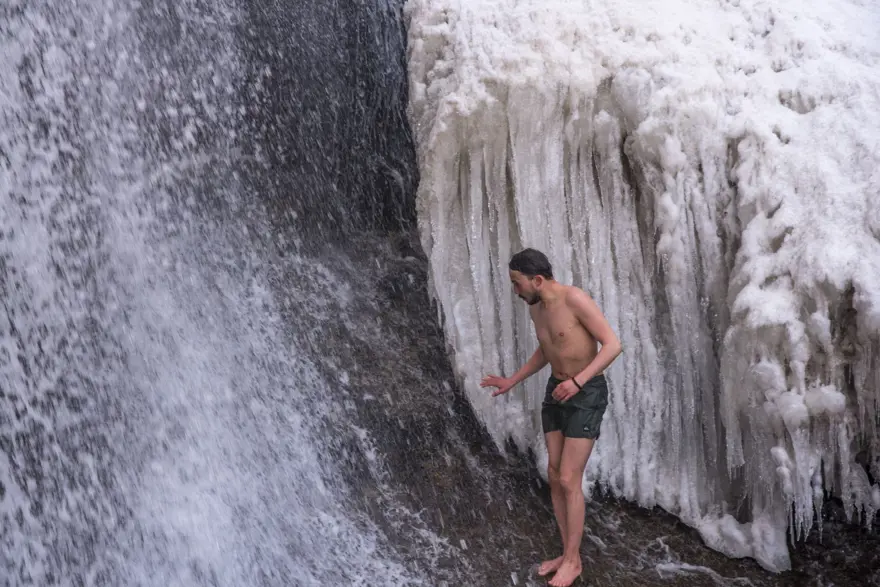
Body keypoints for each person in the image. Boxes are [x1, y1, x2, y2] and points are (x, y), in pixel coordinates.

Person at [480, 248, 622, 587]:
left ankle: (573, 562)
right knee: (555, 473)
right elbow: (548, 350)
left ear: (537, 280)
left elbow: (613, 345)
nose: (516, 291)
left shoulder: (574, 299)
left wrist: (577, 382)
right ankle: (566, 552)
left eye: (517, 284)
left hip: (585, 393)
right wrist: (512, 380)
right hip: (556, 392)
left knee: (570, 478)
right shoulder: (538, 309)